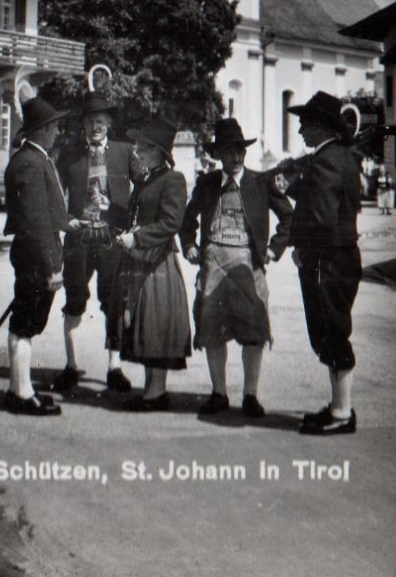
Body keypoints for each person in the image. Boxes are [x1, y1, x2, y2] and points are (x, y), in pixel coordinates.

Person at [180, 117, 293, 418]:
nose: (234, 157)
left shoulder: (260, 182)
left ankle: (250, 395)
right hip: (213, 263)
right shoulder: (206, 184)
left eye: (239, 151)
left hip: (248, 264)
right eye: (228, 151)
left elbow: (289, 217)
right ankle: (219, 393)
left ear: (244, 153)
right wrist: (189, 244)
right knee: (213, 330)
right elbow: (187, 220)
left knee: (254, 330)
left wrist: (273, 249)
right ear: (217, 154)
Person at [52, 92, 142, 395]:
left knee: (113, 303)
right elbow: (53, 194)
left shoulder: (124, 151)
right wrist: (65, 222)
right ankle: (72, 366)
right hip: (79, 239)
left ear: (109, 122)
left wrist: (134, 225)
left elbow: (144, 188)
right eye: (90, 121)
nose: (95, 127)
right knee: (75, 301)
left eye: (100, 121)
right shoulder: (69, 154)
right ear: (83, 124)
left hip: (111, 241)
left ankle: (114, 367)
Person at [285, 91, 362, 436]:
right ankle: (337, 406)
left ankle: (343, 413)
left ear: (320, 126)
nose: (300, 130)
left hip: (328, 260)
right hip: (337, 258)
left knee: (331, 332)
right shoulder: (340, 156)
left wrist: (303, 249)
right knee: (331, 330)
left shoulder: (326, 160)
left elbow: (321, 216)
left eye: (305, 123)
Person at [109, 119, 191, 410]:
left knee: (156, 325)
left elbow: (171, 223)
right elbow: (136, 216)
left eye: (143, 147)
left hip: (158, 261)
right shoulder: (146, 179)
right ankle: (152, 391)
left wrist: (138, 239)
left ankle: (156, 393)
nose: (137, 151)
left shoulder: (173, 179)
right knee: (146, 325)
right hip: (141, 258)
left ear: (157, 151)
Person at [3, 96, 71, 416]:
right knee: (26, 325)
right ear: (42, 129)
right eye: (54, 126)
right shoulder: (31, 161)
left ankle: (18, 388)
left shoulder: (31, 157)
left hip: (32, 251)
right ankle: (22, 394)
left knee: (23, 324)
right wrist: (52, 264)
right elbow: (35, 219)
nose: (57, 131)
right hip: (36, 253)